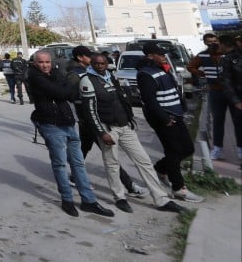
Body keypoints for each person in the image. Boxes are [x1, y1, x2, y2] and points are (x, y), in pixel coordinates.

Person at [78, 52, 183, 214]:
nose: (100, 66)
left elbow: (122, 99)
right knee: (112, 163)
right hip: (107, 128)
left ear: (107, 64)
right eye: (96, 63)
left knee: (144, 161)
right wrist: (101, 132)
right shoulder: (87, 80)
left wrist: (130, 118)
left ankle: (162, 199)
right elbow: (89, 111)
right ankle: (119, 197)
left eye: (103, 63)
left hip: (124, 126)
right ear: (91, 64)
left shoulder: (111, 76)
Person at [25, 50, 114, 217]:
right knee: (59, 164)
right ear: (35, 63)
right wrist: (65, 88)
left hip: (68, 123)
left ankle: (89, 201)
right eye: (41, 62)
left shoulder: (57, 72)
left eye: (47, 62)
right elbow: (62, 92)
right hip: (51, 125)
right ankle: (67, 199)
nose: (45, 65)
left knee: (78, 163)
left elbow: (71, 93)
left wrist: (65, 89)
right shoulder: (34, 77)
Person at [65, 45, 141, 197]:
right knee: (109, 154)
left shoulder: (91, 72)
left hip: (97, 117)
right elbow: (71, 95)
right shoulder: (75, 75)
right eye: (89, 57)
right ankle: (129, 185)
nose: (93, 60)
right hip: (90, 119)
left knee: (83, 149)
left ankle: (75, 175)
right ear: (80, 57)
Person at [136, 42, 203, 202]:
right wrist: (165, 119)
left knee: (187, 148)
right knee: (173, 152)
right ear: (150, 56)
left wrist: (182, 108)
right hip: (165, 119)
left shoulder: (161, 69)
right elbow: (149, 101)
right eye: (160, 54)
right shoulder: (145, 74)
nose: (164, 56)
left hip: (176, 115)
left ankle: (160, 168)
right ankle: (179, 188)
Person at [187, 32, 227, 160]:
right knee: (218, 121)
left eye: (215, 41)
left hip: (232, 91)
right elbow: (190, 66)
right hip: (215, 92)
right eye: (209, 42)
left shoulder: (226, 53)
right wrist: (201, 74)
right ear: (205, 43)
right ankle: (217, 149)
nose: (213, 43)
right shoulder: (203, 55)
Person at [217, 33, 242, 161]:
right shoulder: (226, 59)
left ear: (223, 44)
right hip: (238, 99)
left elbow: (225, 82)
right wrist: (236, 101)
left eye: (218, 44)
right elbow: (225, 83)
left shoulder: (230, 58)